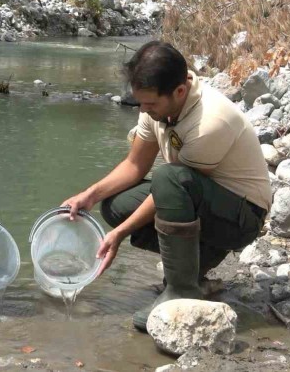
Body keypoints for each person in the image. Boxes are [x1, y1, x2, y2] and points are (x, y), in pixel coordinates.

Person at [62, 41, 271, 331]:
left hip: (242, 216)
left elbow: (175, 185)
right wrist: (89, 196)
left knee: (168, 178)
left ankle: (181, 290)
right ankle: (194, 268)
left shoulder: (210, 121)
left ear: (180, 91)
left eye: (150, 104)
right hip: (200, 199)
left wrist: (120, 234)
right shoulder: (156, 108)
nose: (145, 111)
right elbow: (135, 166)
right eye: (141, 104)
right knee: (115, 204)